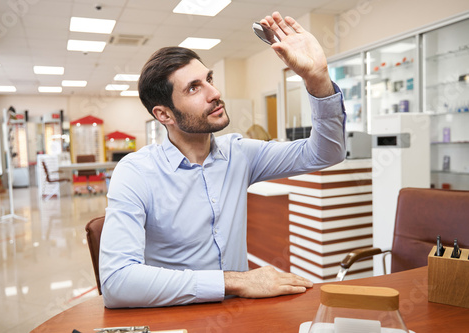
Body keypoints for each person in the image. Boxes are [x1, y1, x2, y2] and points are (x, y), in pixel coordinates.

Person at [100, 12, 346, 308]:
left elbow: (327, 152)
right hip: (174, 317)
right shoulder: (135, 172)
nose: (215, 93)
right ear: (164, 115)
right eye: (194, 87)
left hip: (237, 316)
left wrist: (316, 79)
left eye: (209, 79)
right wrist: (237, 281)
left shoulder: (240, 154)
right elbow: (117, 283)